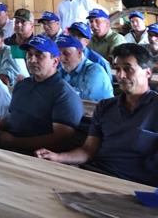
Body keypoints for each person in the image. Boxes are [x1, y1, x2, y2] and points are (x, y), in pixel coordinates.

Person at [37, 43, 158, 186]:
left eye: (128, 69)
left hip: (132, 184)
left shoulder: (154, 108)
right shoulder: (105, 107)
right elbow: (88, 151)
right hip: (95, 173)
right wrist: (58, 157)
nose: (120, 75)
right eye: (117, 69)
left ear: (147, 72)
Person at [0, 36, 82, 154]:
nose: (32, 60)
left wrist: (15, 142)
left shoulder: (64, 94)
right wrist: (0, 123)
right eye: (29, 55)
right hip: (8, 139)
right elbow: (14, 115)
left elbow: (61, 139)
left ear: (55, 61)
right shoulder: (23, 85)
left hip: (34, 151)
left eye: (39, 55)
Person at [56, 34, 113, 102]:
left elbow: (84, 99)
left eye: (66, 53)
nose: (61, 58)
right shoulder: (61, 70)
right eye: (58, 54)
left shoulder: (95, 71)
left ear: (79, 53)